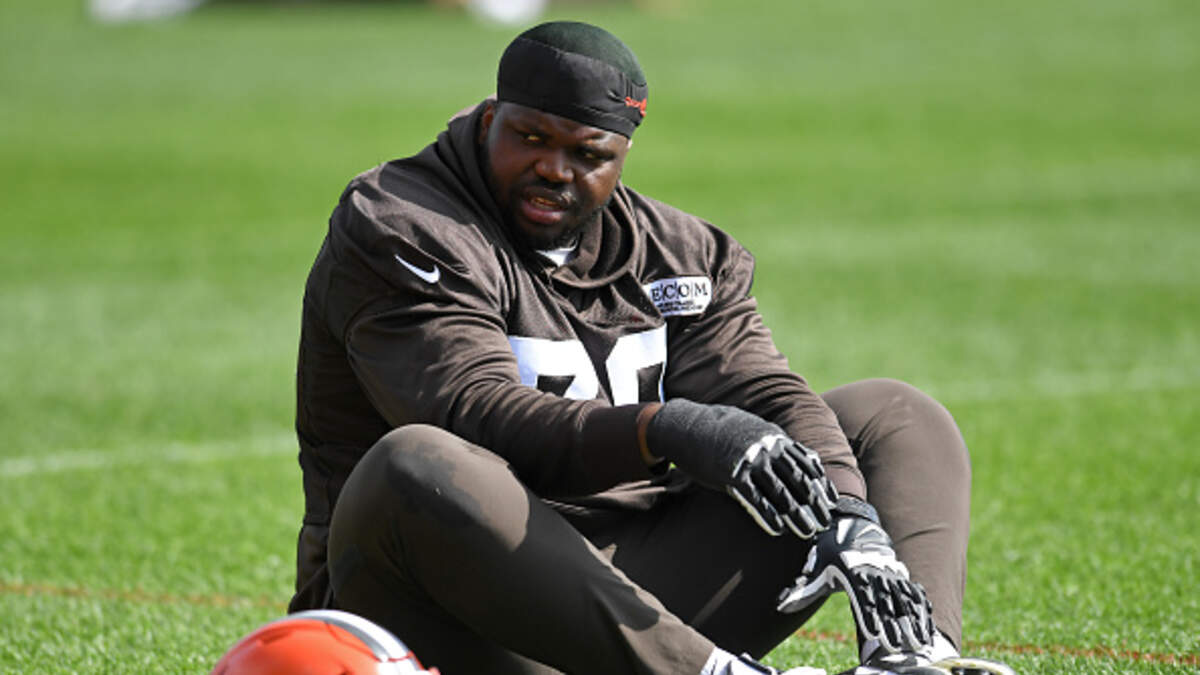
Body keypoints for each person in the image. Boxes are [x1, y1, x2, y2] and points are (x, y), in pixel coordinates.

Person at [287, 20, 1012, 675]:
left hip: (636, 604)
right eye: (531, 138)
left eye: (587, 153)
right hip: (451, 610)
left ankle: (915, 658)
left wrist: (851, 517)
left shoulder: (677, 252)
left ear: (622, 154)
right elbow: (474, 410)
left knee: (891, 418)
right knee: (415, 463)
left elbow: (762, 391)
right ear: (488, 120)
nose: (555, 169)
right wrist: (669, 428)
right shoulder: (402, 222)